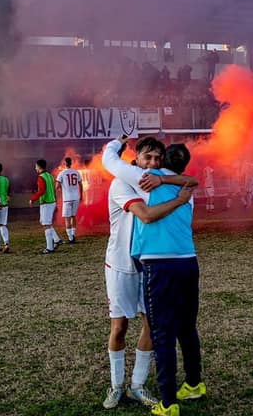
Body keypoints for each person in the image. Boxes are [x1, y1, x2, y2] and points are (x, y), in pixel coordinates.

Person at [102, 136, 204, 416]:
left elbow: (188, 179)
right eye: (148, 158)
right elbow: (145, 215)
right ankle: (116, 386)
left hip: (152, 266)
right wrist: (116, 143)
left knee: (153, 326)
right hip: (123, 264)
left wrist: (168, 183)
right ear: (136, 159)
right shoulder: (125, 181)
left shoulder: (156, 179)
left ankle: (138, 384)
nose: (153, 164)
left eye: (158, 158)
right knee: (120, 327)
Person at [29, 159, 63, 253]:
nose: (35, 168)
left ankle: (49, 247)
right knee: (44, 222)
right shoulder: (50, 176)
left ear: (39, 167)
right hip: (51, 202)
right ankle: (56, 240)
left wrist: (33, 198)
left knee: (46, 224)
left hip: (46, 203)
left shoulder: (41, 177)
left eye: (36, 166)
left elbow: (41, 191)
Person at [56, 157, 83, 244]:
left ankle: (70, 238)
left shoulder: (62, 173)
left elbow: (57, 186)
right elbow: (80, 184)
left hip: (67, 198)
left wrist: (59, 190)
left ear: (64, 163)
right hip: (76, 197)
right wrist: (81, 195)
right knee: (73, 216)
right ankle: (73, 235)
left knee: (67, 218)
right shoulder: (76, 172)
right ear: (71, 163)